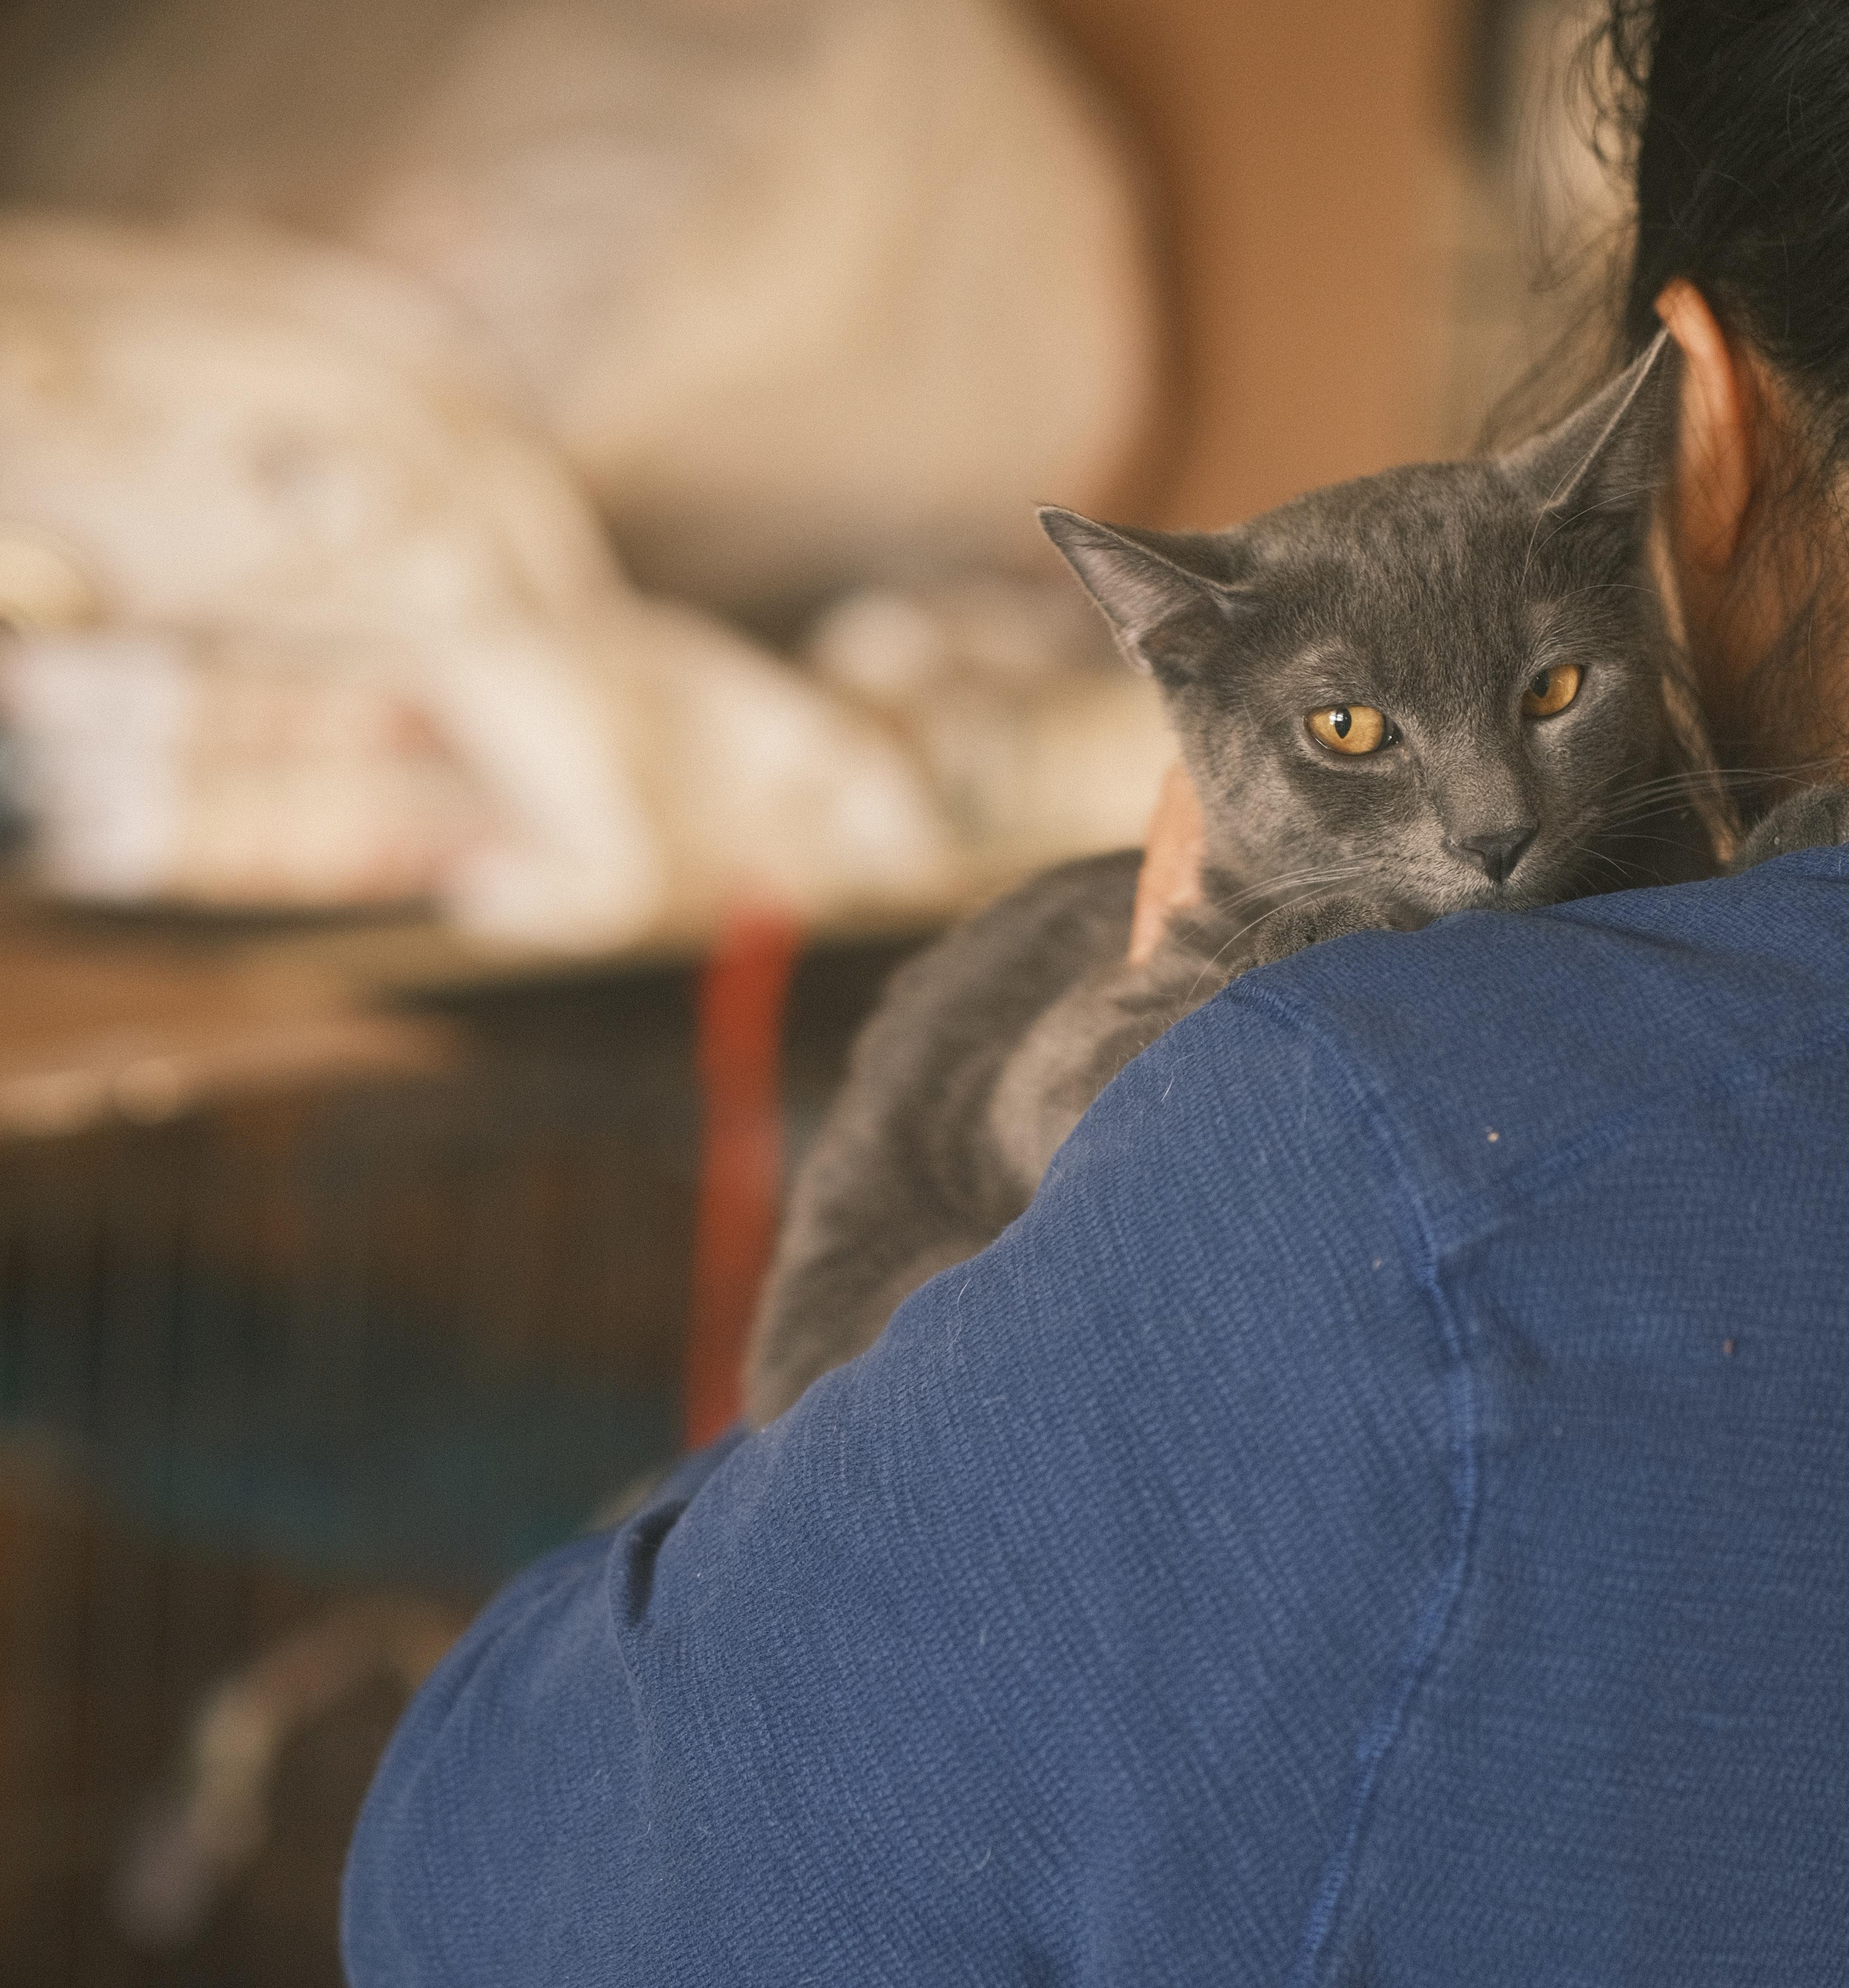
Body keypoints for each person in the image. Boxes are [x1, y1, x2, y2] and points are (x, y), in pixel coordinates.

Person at [342, 2, 1849, 1977]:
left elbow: (486, 1908)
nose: (1484, 821)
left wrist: (1204, 1026)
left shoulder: (1376, 1147)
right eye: (1352, 732)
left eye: (1551, 695)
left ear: (1706, 428)